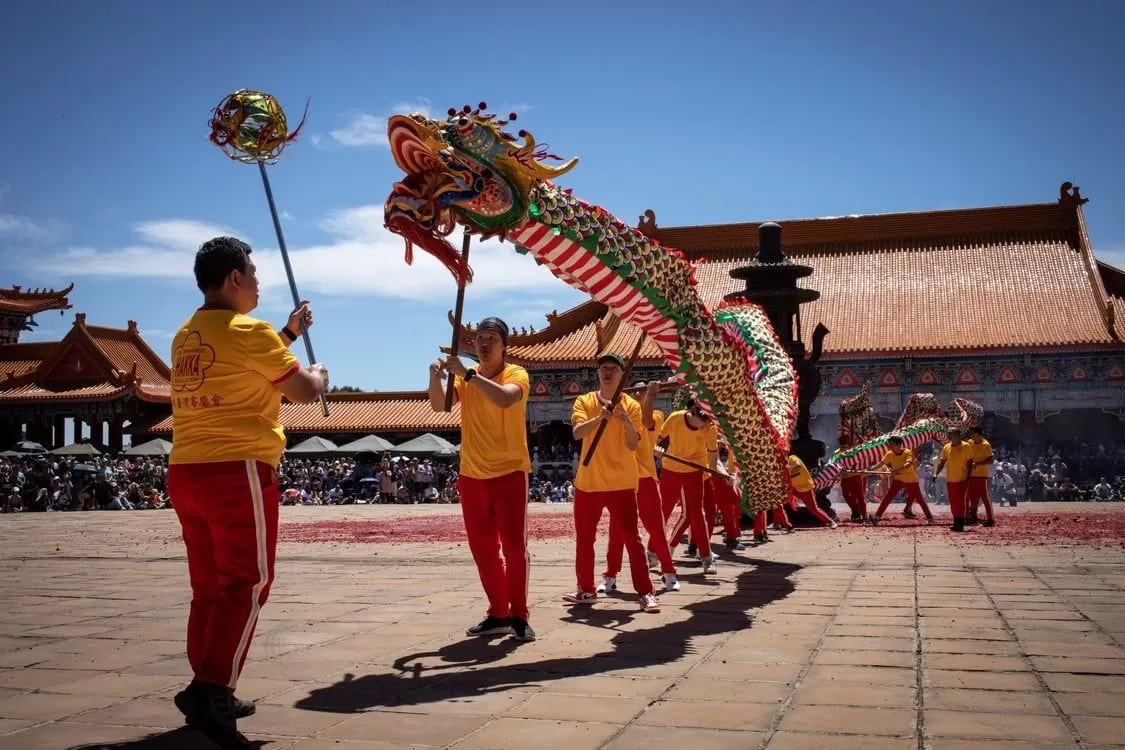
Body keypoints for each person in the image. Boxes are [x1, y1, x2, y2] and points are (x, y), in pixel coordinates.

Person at [168, 237, 329, 749]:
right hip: (236, 468)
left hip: (187, 468)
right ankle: (213, 688)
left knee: (209, 587)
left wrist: (286, 333)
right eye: (253, 272)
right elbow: (299, 389)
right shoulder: (251, 331)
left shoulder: (185, 334)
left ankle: (209, 681)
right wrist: (318, 376)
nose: (258, 281)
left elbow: (241, 367)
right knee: (249, 583)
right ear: (235, 278)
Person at [429, 317, 536, 642]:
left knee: (514, 548)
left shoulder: (515, 374)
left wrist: (469, 374)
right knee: (483, 549)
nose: (484, 343)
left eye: (491, 338)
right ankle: (498, 612)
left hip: (509, 472)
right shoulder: (464, 381)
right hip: (472, 474)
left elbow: (505, 398)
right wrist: (435, 377)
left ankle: (519, 614)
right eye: (479, 338)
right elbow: (438, 405)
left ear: (505, 345)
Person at [566, 356, 660, 612]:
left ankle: (646, 592)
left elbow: (633, 443)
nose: (608, 373)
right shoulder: (584, 401)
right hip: (589, 483)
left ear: (622, 375)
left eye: (613, 369)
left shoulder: (632, 405)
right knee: (585, 539)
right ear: (597, 373)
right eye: (603, 369)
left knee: (632, 538)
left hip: (621, 483)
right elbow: (577, 432)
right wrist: (600, 418)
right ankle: (585, 589)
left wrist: (624, 420)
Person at [601, 380, 679, 594]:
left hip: (644, 478)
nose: (637, 393)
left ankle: (668, 572)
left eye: (641, 390)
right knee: (616, 530)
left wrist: (651, 395)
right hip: (622, 479)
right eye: (634, 390)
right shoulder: (619, 413)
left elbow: (645, 420)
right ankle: (610, 575)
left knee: (656, 528)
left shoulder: (656, 415)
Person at [658, 397, 720, 573]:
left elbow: (713, 452)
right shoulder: (676, 418)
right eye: (702, 421)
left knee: (697, 512)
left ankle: (706, 557)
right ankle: (655, 550)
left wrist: (713, 471)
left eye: (708, 421)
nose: (705, 425)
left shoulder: (710, 427)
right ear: (692, 413)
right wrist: (658, 450)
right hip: (672, 467)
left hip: (695, 468)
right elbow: (660, 439)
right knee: (665, 509)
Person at [866, 436, 935, 524]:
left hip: (911, 480)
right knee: (888, 497)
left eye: (892, 444)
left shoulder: (907, 452)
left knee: (920, 500)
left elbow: (908, 464)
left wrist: (896, 470)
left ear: (899, 445)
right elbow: (880, 464)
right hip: (898, 479)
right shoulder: (890, 454)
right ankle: (877, 517)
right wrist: (870, 470)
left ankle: (930, 518)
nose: (890, 446)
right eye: (889, 444)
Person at [934, 428, 973, 532]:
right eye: (950, 435)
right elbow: (942, 462)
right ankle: (956, 520)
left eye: (954, 434)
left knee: (960, 501)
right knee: (953, 501)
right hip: (950, 479)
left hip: (962, 478)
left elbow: (970, 462)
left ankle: (960, 523)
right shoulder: (946, 447)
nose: (952, 437)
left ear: (959, 435)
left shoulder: (966, 446)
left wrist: (969, 476)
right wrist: (935, 474)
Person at [788, 454, 837, 528]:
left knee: (813, 509)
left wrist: (789, 474)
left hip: (806, 487)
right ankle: (778, 523)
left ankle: (831, 522)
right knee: (779, 504)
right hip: (795, 488)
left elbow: (798, 465)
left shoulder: (792, 458)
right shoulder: (780, 462)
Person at [966, 426, 996, 527]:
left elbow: (990, 460)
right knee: (971, 497)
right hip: (971, 475)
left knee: (984, 498)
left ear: (977, 434)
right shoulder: (970, 442)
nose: (970, 435)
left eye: (971, 433)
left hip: (981, 476)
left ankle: (991, 519)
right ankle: (971, 516)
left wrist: (977, 464)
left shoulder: (986, 444)